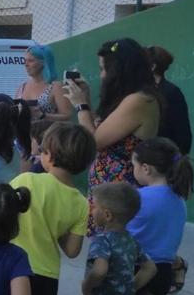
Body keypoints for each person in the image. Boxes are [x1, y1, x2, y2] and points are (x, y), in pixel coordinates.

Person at [10, 122, 95, 295]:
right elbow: (72, 250)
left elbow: (0, 213)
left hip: (10, 268)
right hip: (46, 277)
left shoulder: (26, 180)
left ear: (50, 155)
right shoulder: (81, 203)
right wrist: (53, 225)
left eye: (43, 151)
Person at [64, 38, 161, 236]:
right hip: (108, 196)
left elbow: (94, 141)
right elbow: (97, 130)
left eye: (104, 69)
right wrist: (87, 100)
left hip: (119, 200)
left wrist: (81, 106)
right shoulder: (127, 99)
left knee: (112, 259)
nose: (102, 75)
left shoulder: (139, 101)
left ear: (119, 70)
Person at [59, 183, 156, 295]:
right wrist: (129, 287)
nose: (91, 210)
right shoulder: (130, 240)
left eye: (94, 206)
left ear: (107, 214)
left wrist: (86, 286)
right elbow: (150, 268)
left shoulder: (102, 241)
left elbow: (100, 270)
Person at [127, 138, 194, 295]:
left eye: (133, 166)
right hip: (163, 271)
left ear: (146, 168)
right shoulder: (179, 199)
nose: (133, 170)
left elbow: (123, 233)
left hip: (136, 267)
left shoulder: (138, 197)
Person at [147, 45, 192, 294]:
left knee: (157, 229)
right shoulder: (138, 94)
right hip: (141, 166)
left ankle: (175, 263)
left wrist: (167, 165)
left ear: (152, 66)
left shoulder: (171, 93)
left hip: (162, 169)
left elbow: (184, 138)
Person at [15, 45, 73, 122]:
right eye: (24, 61)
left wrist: (42, 115)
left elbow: (67, 116)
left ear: (43, 62)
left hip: (48, 132)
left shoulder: (55, 86)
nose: (26, 64)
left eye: (31, 60)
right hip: (25, 133)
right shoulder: (21, 87)